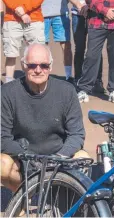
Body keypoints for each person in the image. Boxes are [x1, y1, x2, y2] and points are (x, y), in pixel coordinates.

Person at [1, 43, 87, 193]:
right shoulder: (7, 93)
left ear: (51, 66)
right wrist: (29, 157)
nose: (38, 70)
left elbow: (77, 134)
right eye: (32, 65)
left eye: (44, 65)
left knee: (83, 157)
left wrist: (59, 156)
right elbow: (2, 137)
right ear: (23, 65)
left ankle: (63, 201)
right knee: (2, 164)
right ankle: (21, 200)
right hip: (24, 157)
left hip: (59, 155)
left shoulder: (66, 91)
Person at [65, 0, 104, 91]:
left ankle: (97, 81)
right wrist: (79, 5)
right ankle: (79, 80)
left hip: (96, 15)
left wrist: (93, 7)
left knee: (95, 49)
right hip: (78, 14)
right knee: (79, 49)